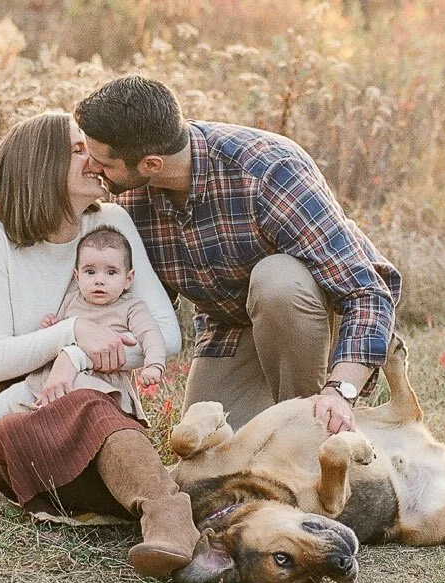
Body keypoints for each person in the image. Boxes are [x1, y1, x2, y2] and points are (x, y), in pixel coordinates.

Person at [0, 110, 200, 579]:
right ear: (42, 165)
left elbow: (165, 336)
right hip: (21, 410)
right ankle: (169, 516)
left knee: (93, 400)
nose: (96, 160)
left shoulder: (111, 222)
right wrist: (71, 333)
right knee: (57, 415)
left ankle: (169, 528)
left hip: (104, 413)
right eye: (78, 149)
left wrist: (77, 356)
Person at [74, 76, 400, 434]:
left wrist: (342, 390)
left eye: (103, 161)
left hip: (311, 311)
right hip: (230, 326)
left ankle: (309, 424)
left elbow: (365, 294)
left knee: (277, 279)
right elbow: (136, 301)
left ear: (151, 164)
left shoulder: (269, 171)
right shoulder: (125, 199)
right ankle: (280, 429)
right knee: (206, 453)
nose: (92, 166)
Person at [0, 225, 168, 442]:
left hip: (101, 380)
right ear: (77, 276)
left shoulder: (131, 306)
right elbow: (61, 333)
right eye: (90, 272)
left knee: (79, 405)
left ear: (128, 279)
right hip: (54, 375)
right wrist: (51, 326)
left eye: (111, 272)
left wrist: (154, 365)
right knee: (20, 391)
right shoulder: (73, 299)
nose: (99, 280)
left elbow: (151, 335)